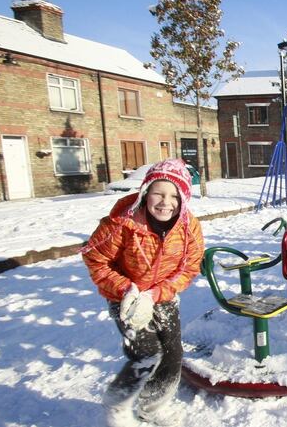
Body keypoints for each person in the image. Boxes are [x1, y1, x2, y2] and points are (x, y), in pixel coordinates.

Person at [81, 159, 204, 427]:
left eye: (174, 195)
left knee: (172, 354)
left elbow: (190, 266)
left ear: (183, 198)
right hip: (126, 298)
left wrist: (157, 293)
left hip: (163, 295)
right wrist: (128, 290)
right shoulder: (121, 223)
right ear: (146, 192)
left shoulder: (189, 227)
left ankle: (154, 407)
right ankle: (117, 405)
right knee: (147, 353)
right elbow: (95, 258)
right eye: (159, 193)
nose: (165, 202)